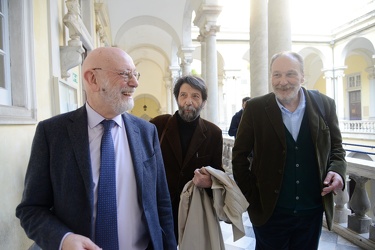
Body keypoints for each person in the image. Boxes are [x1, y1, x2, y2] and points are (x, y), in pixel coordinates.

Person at [16, 47, 176, 250]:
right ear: (92, 79)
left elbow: (161, 203)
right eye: (125, 74)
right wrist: (64, 239)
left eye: (135, 74)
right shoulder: (52, 133)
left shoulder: (146, 132)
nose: (135, 83)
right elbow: (31, 209)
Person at [232, 51, 347, 250]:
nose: (283, 81)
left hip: (311, 212)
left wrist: (337, 170)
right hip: (269, 212)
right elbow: (239, 156)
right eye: (276, 74)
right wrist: (251, 196)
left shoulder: (324, 105)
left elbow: (337, 148)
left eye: (290, 74)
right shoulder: (255, 108)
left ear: (303, 77)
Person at [149, 75, 224, 241]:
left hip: (194, 210)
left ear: (204, 102)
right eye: (183, 95)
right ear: (177, 98)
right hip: (160, 208)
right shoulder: (157, 125)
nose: (188, 101)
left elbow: (219, 173)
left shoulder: (213, 133)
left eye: (195, 96)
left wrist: (209, 181)